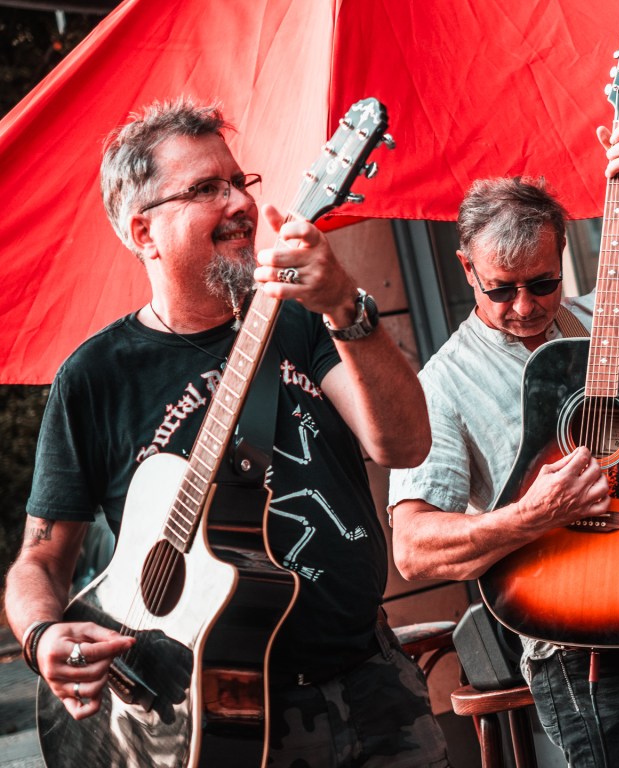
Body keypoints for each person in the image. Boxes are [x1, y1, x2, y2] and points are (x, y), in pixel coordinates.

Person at [3, 98, 449, 768]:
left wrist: (344, 308)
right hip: (197, 720)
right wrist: (42, 637)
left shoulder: (302, 319)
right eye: (207, 189)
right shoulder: (95, 378)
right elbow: (39, 561)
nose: (240, 203)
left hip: (372, 685)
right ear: (144, 232)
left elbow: (404, 445)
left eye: (240, 182)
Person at [388, 121, 619, 767]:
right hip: (582, 651)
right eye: (501, 288)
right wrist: (531, 515)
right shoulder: (442, 384)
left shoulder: (614, 323)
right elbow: (413, 549)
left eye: (542, 283)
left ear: (561, 256)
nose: (524, 306)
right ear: (467, 268)